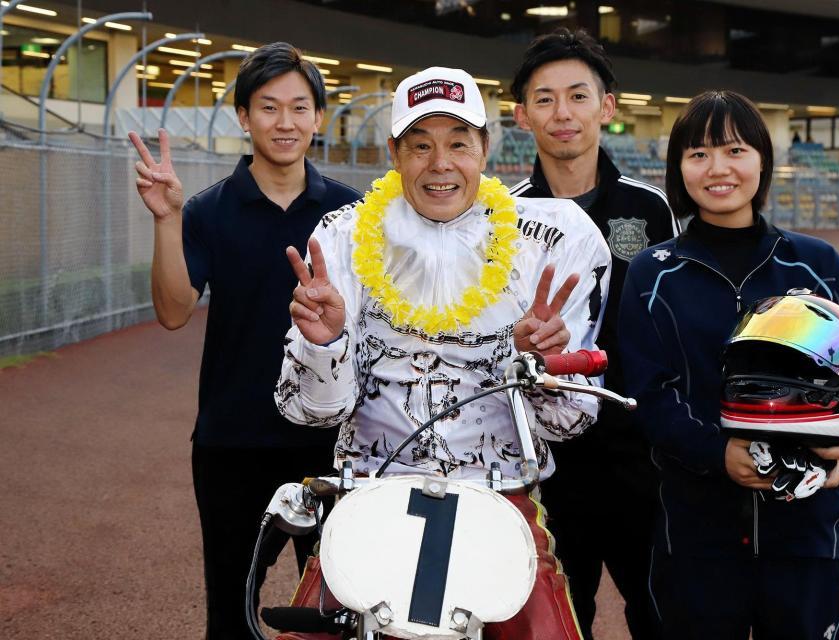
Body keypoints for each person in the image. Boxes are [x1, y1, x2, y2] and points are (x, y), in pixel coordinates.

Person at [276, 66, 611, 640]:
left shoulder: (553, 241)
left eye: (459, 143)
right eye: (420, 146)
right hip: (368, 497)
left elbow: (569, 424)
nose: (440, 164)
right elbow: (310, 412)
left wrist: (541, 370)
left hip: (502, 500)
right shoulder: (340, 238)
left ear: (485, 147)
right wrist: (324, 342)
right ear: (394, 153)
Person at [618, 90, 839, 639]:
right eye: (698, 154)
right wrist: (716, 452)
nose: (717, 168)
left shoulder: (815, 261)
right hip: (696, 537)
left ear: (762, 161)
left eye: (734, 150)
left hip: (808, 535)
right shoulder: (652, 272)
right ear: (679, 168)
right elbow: (650, 394)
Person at [128, 42, 361, 640]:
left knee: (341, 613)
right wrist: (165, 219)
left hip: (332, 443)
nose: (285, 122)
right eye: (268, 107)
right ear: (243, 116)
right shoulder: (207, 210)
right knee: (230, 613)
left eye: (299, 107)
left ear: (317, 118)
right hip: (232, 442)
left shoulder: (350, 214)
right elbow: (174, 312)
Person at [508, 27, 679, 639]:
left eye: (578, 95)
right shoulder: (504, 216)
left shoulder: (651, 209)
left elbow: (671, 327)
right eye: (545, 98)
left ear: (606, 107)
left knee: (662, 616)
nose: (563, 113)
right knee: (554, 622)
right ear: (522, 115)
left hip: (640, 457)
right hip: (547, 464)